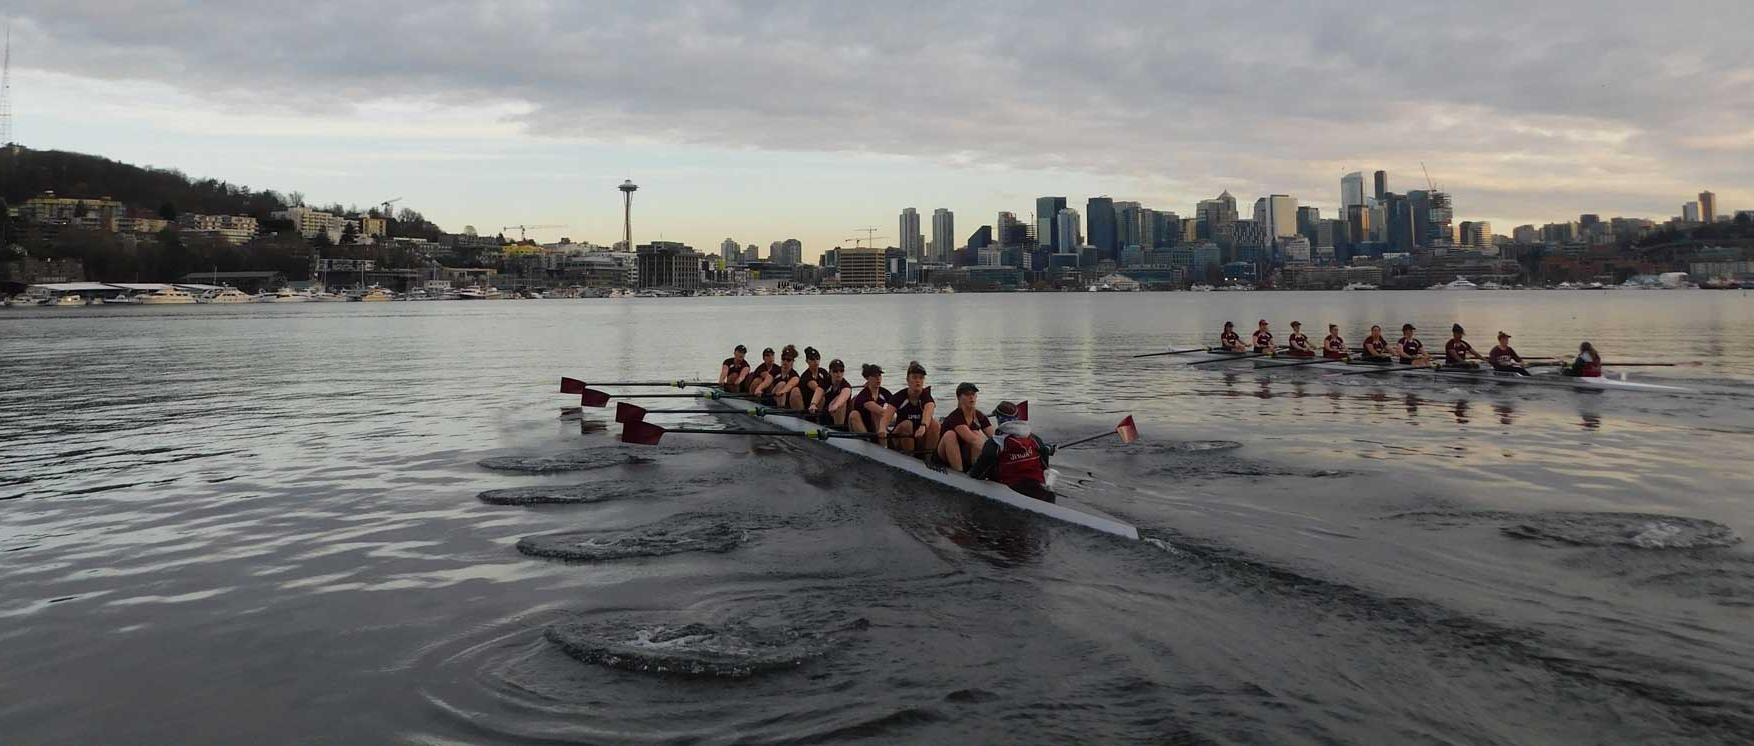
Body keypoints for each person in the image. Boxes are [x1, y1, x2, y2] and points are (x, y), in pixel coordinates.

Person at [969, 401, 1055, 502]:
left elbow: (978, 473)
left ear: (998, 419)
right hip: (1039, 486)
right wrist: (1047, 449)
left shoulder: (996, 442)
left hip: (1011, 489)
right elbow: (1045, 466)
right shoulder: (1034, 438)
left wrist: (969, 474)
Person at [935, 382, 995, 472]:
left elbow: (994, 437)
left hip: (964, 455)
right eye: (967, 394)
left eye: (973, 394)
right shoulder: (955, 417)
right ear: (959, 398)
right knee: (950, 435)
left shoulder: (979, 415)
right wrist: (994, 453)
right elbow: (972, 440)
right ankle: (959, 473)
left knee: (976, 433)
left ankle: (976, 470)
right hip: (944, 457)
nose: (971, 397)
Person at [885, 361, 940, 457]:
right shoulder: (899, 397)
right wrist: (882, 429)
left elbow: (929, 408)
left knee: (935, 424)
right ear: (907, 380)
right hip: (899, 439)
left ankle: (928, 458)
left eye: (921, 378)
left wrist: (923, 425)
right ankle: (910, 458)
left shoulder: (926, 396)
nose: (918, 381)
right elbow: (886, 418)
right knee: (907, 424)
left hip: (917, 436)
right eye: (914, 377)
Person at [846, 363, 894, 444]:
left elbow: (896, 405)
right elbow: (881, 412)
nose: (878, 379)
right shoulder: (863, 396)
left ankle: (883, 444)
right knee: (855, 414)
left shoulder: (884, 392)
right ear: (868, 378)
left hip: (878, 429)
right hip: (863, 429)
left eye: (879, 375)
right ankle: (872, 444)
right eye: (874, 376)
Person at [809, 358, 854, 427]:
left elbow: (844, 394)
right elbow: (819, 391)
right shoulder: (826, 381)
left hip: (840, 418)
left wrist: (835, 406)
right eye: (835, 371)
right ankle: (815, 422)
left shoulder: (846, 386)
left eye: (841, 371)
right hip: (826, 414)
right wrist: (813, 404)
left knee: (841, 404)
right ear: (830, 372)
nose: (839, 374)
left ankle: (838, 429)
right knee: (821, 398)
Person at [793, 346, 832, 412]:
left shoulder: (823, 372)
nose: (815, 361)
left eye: (817, 358)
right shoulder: (806, 375)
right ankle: (816, 418)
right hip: (809, 406)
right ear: (807, 361)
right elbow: (818, 389)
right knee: (821, 397)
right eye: (812, 359)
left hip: (823, 403)